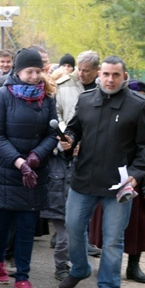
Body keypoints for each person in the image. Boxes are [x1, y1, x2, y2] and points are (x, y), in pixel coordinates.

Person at [58, 56, 145, 288]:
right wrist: (68, 139)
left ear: (124, 76)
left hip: (119, 184)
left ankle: (109, 285)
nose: (110, 79)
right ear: (99, 75)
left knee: (113, 238)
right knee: (73, 226)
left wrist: (135, 175)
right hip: (84, 178)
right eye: (106, 74)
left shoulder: (138, 104)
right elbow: (75, 129)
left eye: (115, 75)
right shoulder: (86, 99)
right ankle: (79, 269)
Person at [0, 48, 58, 288]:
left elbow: (52, 133)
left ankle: (23, 279)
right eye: (30, 71)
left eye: (38, 71)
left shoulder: (47, 97)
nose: (35, 76)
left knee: (27, 226)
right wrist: (19, 162)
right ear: (18, 71)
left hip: (34, 173)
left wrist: (37, 156)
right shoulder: (3, 94)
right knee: (2, 224)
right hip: (7, 170)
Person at [55, 50, 102, 258]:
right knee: (66, 194)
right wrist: (68, 138)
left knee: (88, 198)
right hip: (67, 145)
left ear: (97, 71)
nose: (82, 74)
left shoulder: (104, 87)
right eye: (79, 70)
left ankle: (85, 238)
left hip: (92, 150)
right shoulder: (64, 85)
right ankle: (62, 235)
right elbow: (57, 113)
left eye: (87, 71)